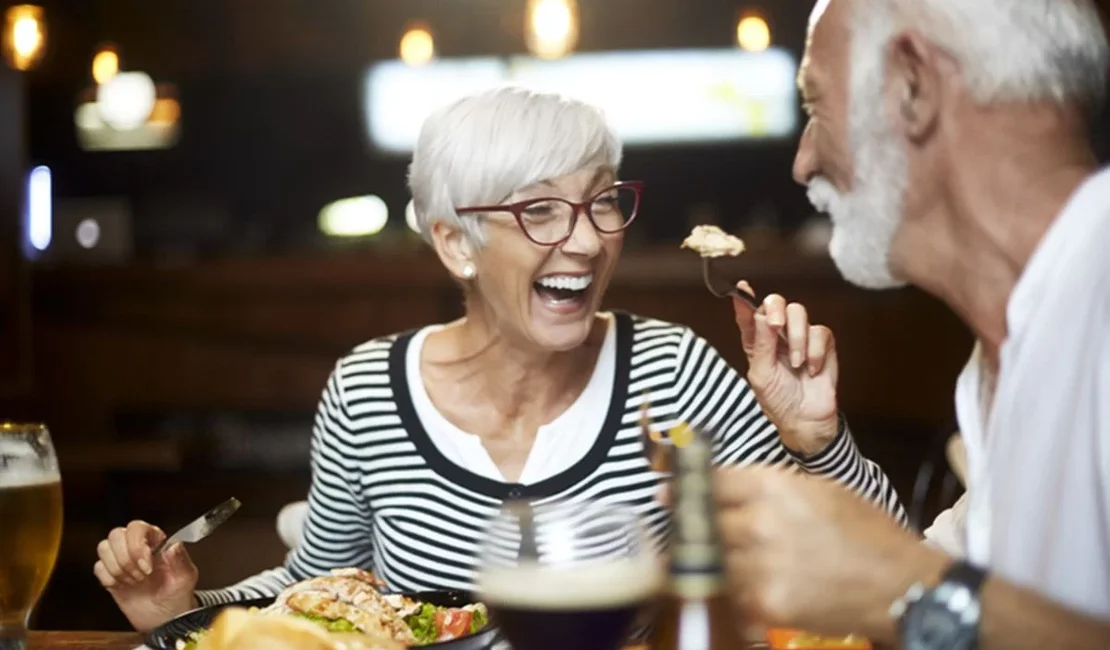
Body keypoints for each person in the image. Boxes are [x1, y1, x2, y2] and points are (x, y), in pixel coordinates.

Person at [91, 86, 906, 631]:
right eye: (542, 211)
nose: (586, 241)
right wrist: (185, 604)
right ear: (456, 242)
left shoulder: (675, 373)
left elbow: (894, 574)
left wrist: (817, 442)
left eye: (602, 202)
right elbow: (312, 597)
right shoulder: (368, 391)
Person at [714, 0, 1110, 648]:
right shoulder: (999, 360)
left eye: (816, 109)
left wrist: (897, 584)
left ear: (913, 86)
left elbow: (909, 588)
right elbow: (928, 595)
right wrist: (821, 446)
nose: (802, 162)